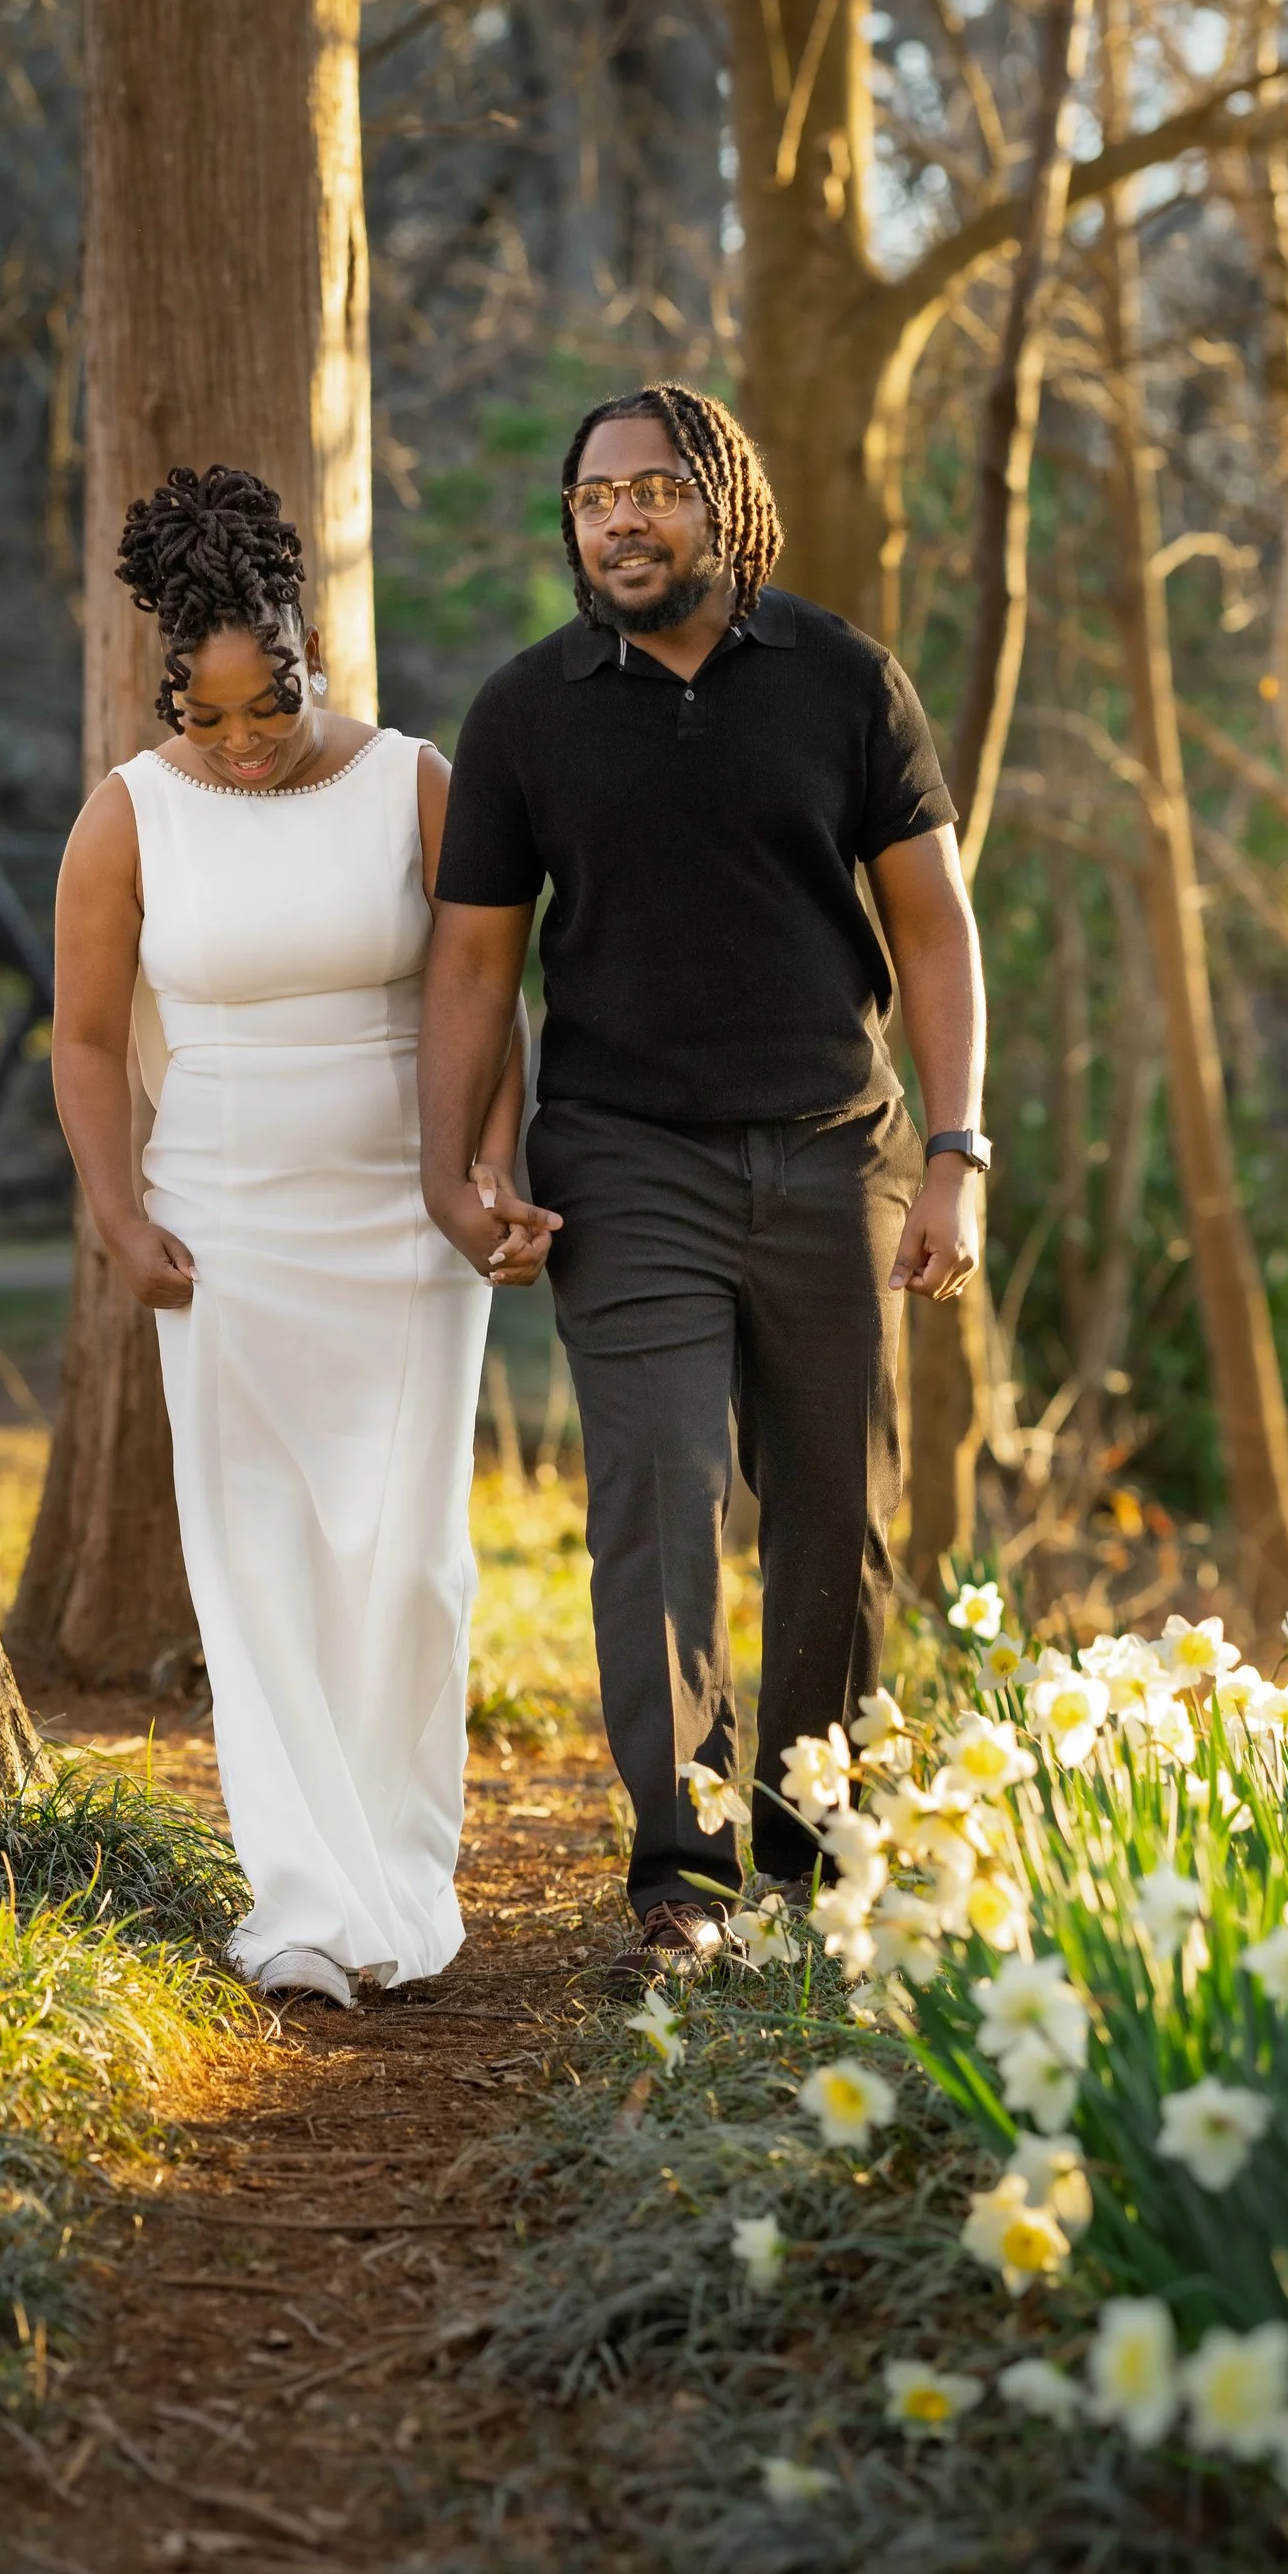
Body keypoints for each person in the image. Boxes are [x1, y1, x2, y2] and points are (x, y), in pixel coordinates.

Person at [418, 382, 988, 1985]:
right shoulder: (527, 712)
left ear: (722, 503)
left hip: (837, 1150)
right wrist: (457, 1168)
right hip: (624, 1159)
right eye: (597, 497)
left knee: (836, 1517)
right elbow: (473, 965)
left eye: (657, 489)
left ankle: (815, 1858)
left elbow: (936, 927)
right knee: (659, 1501)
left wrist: (957, 1155)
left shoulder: (844, 681)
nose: (624, 519)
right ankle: (684, 1880)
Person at [49, 464, 550, 2011]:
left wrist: (490, 1171)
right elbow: (84, 1039)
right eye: (208, 720)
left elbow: (490, 994)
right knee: (256, 1558)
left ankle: (406, 1882)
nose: (245, 743)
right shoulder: (130, 816)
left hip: (407, 1223)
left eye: (268, 707)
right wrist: (121, 1216)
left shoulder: (416, 782)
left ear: (311, 658)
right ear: (167, 702)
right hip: (225, 1228)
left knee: (406, 1565)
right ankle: (306, 1909)